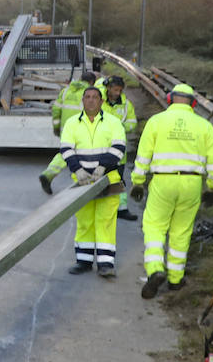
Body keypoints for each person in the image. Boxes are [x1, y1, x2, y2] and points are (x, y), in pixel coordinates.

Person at [131, 83, 213, 299]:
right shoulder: (204, 126)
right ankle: (175, 279)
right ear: (193, 103)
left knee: (154, 227)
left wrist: (138, 182)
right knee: (181, 231)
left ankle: (155, 269)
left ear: (170, 99)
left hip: (163, 182)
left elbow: (143, 156)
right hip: (191, 184)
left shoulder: (156, 122)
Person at [58, 85, 128, 277]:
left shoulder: (113, 122)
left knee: (105, 221)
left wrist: (102, 167)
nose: (90, 100)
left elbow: (118, 147)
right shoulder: (72, 123)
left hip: (108, 179)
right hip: (81, 182)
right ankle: (84, 261)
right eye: (87, 97)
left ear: (101, 101)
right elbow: (66, 148)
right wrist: (78, 170)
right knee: (85, 221)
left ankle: (106, 264)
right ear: (82, 101)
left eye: (94, 97)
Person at [38, 65, 100, 194]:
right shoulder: (90, 95)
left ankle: (49, 174)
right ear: (91, 83)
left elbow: (56, 109)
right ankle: (85, 187)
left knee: (65, 153)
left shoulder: (66, 91)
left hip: (66, 129)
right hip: (82, 129)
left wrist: (56, 127)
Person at [101, 75, 139, 221]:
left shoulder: (126, 105)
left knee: (119, 180)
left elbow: (132, 122)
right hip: (100, 150)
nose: (117, 93)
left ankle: (121, 209)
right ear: (108, 88)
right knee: (100, 181)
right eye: (115, 90)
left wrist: (120, 127)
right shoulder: (99, 102)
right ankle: (103, 209)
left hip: (118, 151)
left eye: (120, 90)